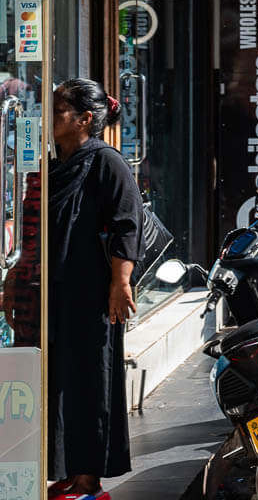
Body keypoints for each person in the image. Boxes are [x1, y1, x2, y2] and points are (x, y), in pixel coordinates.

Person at [49, 80, 143, 499]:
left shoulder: (107, 162)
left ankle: (89, 480)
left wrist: (120, 284)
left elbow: (128, 225)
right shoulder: (55, 163)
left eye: (57, 110)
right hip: (56, 293)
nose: (49, 118)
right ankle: (68, 470)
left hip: (93, 295)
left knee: (91, 381)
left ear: (85, 119)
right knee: (59, 379)